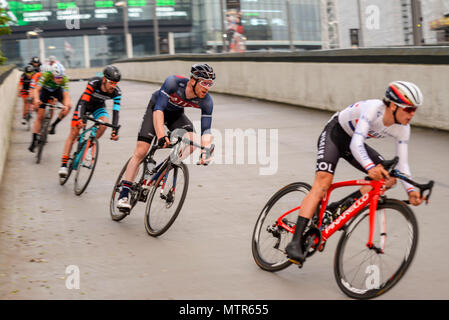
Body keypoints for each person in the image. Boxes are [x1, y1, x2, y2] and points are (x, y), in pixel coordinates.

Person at [285, 81, 427, 265]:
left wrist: (411, 190)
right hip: (335, 135)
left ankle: (339, 208)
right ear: (393, 105)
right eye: (409, 109)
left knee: (388, 178)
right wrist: (370, 167)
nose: (412, 114)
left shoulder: (403, 128)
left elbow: (403, 162)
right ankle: (295, 242)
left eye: (415, 109)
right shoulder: (373, 109)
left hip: (353, 142)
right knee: (322, 185)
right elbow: (356, 145)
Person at [116, 63, 215, 211]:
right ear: (193, 80)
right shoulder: (173, 82)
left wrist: (205, 150)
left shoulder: (207, 100)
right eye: (204, 83)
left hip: (175, 115)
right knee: (141, 151)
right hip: (156, 109)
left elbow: (206, 130)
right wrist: (161, 135)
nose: (207, 88)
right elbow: (158, 110)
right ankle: (124, 194)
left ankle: (168, 166)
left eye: (210, 84)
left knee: (194, 142)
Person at [58, 65, 122, 177]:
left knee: (104, 124)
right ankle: (63, 165)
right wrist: (81, 118)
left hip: (98, 107)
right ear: (104, 80)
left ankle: (89, 145)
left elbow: (116, 111)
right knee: (74, 133)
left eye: (115, 83)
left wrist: (114, 130)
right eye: (111, 82)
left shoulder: (117, 92)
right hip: (84, 105)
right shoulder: (94, 82)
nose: (113, 86)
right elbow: (83, 101)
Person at [29, 63, 72, 152]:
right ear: (52, 74)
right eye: (57, 77)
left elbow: (66, 95)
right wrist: (36, 99)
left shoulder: (64, 79)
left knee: (69, 106)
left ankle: (53, 125)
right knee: (40, 117)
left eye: (61, 77)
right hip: (45, 92)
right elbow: (37, 89)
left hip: (57, 91)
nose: (60, 79)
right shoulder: (46, 75)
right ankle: (33, 141)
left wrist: (66, 105)